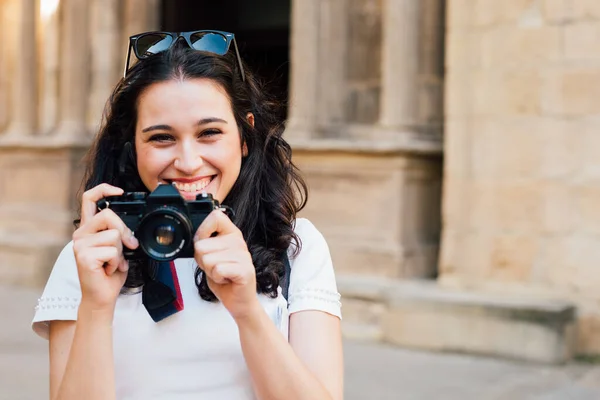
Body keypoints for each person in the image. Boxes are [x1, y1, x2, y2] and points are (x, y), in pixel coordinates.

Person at [32, 30, 343, 400]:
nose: (188, 162)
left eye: (209, 132)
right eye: (162, 137)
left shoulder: (294, 248)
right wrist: (97, 308)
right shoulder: (90, 256)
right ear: (133, 148)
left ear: (245, 136)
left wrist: (246, 310)